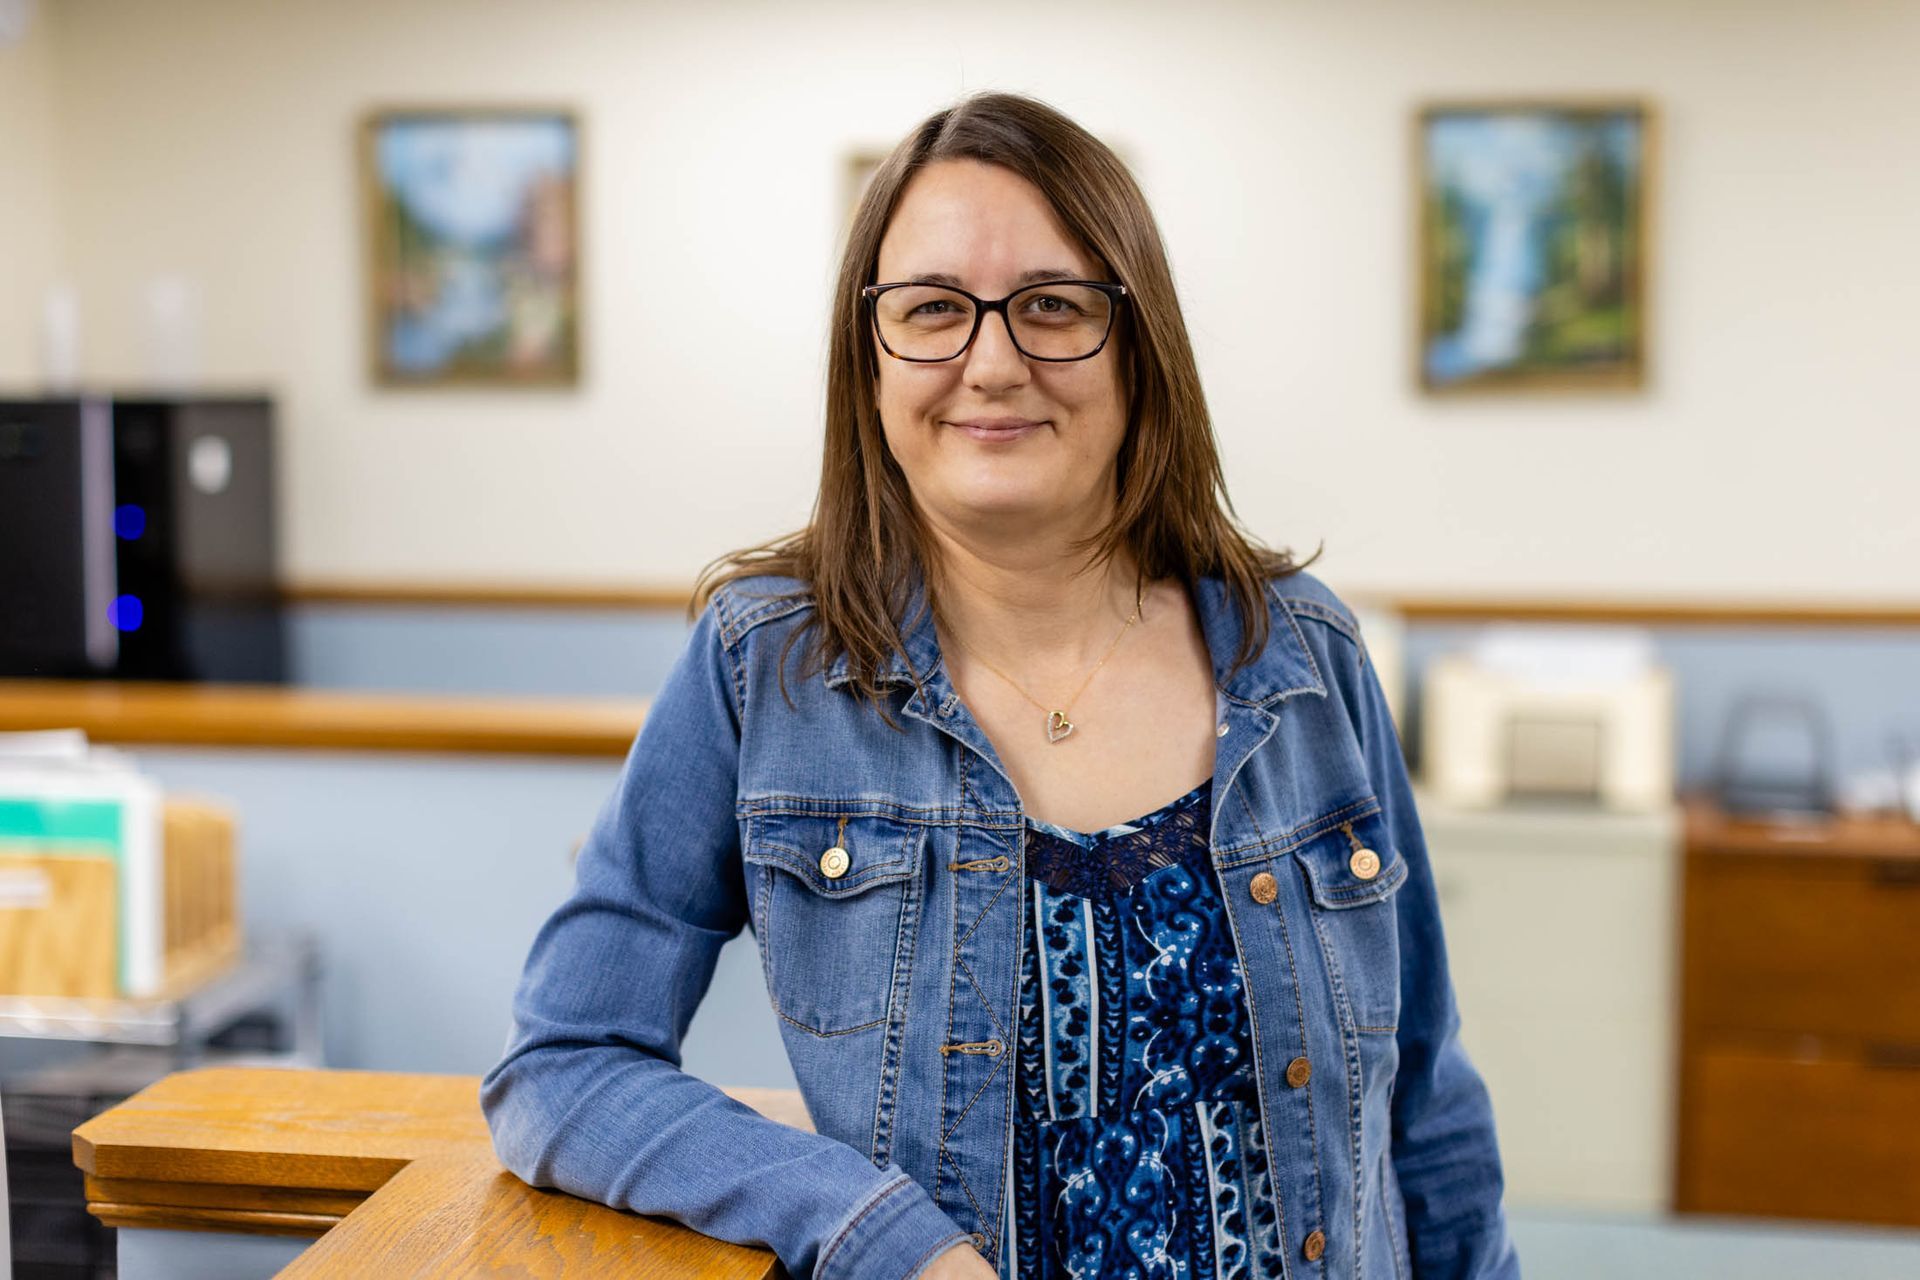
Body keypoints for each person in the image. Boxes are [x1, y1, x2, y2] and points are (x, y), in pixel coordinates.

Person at [483, 91, 1519, 1280]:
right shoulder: (763, 666)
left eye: (1052, 306)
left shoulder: (1302, 658)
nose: (991, 362)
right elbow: (562, 1063)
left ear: (1139, 344)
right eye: (931, 309)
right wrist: (868, 1225)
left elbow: (1425, 1106)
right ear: (867, 359)